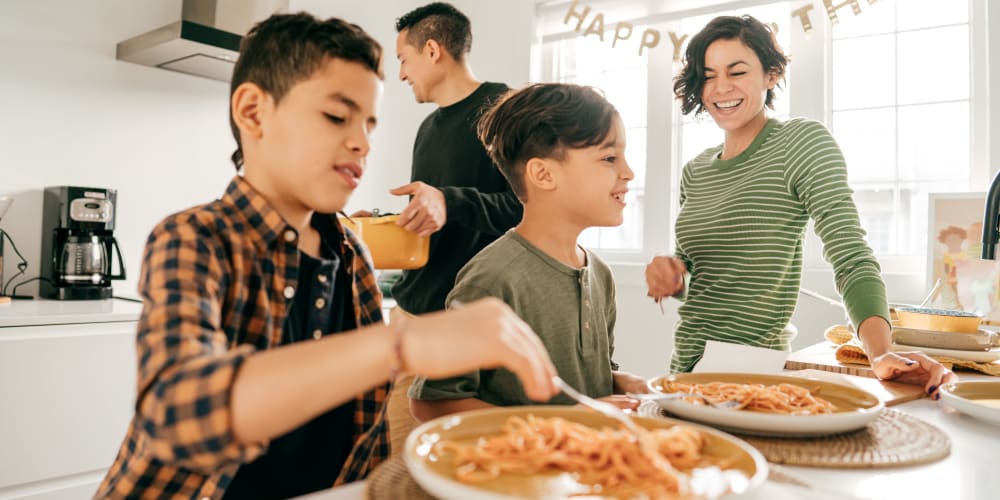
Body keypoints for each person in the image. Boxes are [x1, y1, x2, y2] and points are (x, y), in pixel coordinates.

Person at [95, 13, 557, 499]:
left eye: (368, 124)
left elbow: (366, 446)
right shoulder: (193, 238)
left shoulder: (350, 251)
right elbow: (178, 416)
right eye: (337, 116)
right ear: (253, 112)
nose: (362, 142)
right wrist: (401, 345)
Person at [645, 15, 954, 395]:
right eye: (708, 75)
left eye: (737, 71)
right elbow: (699, 279)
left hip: (753, 374)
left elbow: (851, 256)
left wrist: (880, 354)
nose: (720, 87)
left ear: (771, 75)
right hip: (685, 370)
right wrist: (671, 274)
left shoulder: (800, 143)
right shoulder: (695, 171)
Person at [409, 83, 647, 421]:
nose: (629, 172)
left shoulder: (600, 275)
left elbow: (585, 380)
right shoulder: (491, 279)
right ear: (543, 174)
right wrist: (563, 420)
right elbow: (432, 402)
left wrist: (621, 382)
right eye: (610, 158)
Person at [387, 2, 522, 316]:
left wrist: (450, 202)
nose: (401, 74)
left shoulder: (508, 111)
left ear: (432, 50)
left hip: (466, 316)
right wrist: (384, 223)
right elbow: (437, 216)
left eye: (403, 60)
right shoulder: (426, 129)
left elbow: (528, 210)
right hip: (410, 309)